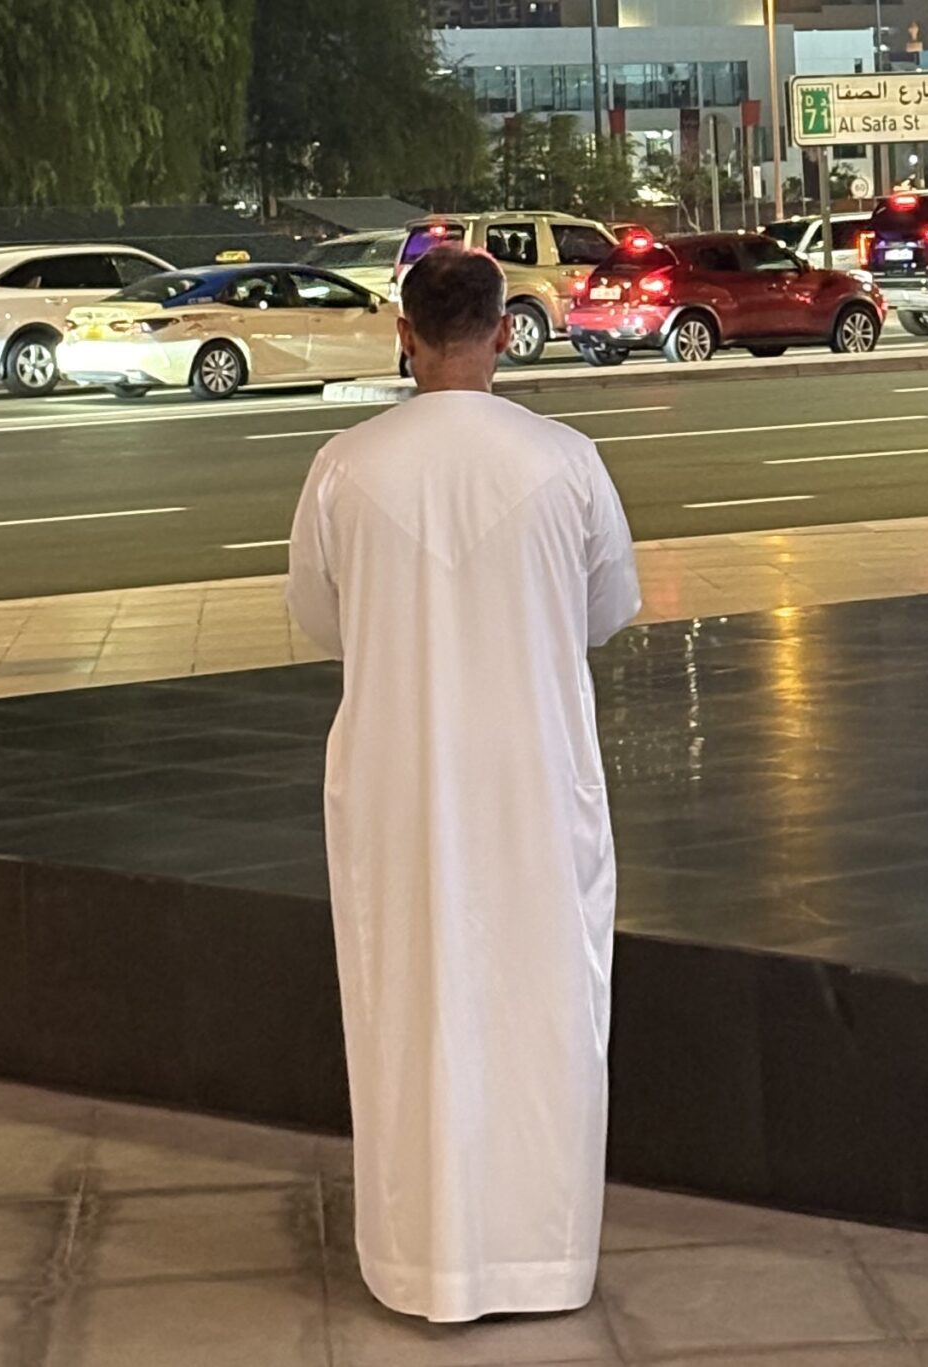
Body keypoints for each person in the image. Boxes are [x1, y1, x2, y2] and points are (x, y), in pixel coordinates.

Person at [285, 246, 640, 1324]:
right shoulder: (565, 458)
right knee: (544, 1001)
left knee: (408, 998)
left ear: (404, 334)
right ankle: (539, 1255)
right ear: (499, 331)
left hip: (398, 777)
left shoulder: (346, 463)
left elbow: (318, 616)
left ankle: (419, 1255)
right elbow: (606, 605)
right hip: (534, 774)